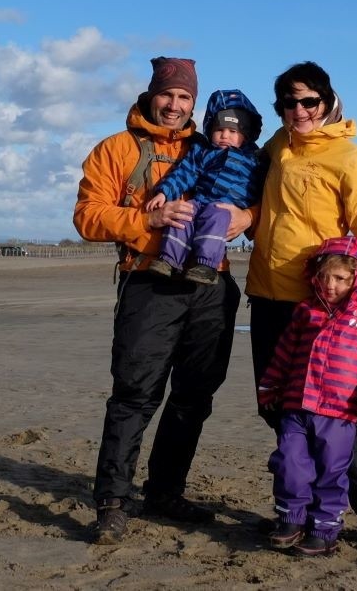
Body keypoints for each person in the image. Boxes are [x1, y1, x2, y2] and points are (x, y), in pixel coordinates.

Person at [220, 60, 357, 557]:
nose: (298, 111)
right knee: (279, 408)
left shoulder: (351, 158)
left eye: (308, 102)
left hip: (325, 307)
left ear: (326, 102)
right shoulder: (277, 146)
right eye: (288, 103)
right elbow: (262, 204)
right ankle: (296, 512)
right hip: (269, 298)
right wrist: (243, 215)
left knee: (342, 417)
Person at [73, 57, 248, 545]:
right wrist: (148, 220)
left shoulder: (214, 144)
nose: (174, 105)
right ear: (151, 95)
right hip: (147, 282)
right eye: (167, 95)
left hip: (211, 286)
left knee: (194, 397)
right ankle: (112, 500)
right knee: (135, 394)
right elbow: (87, 217)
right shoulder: (115, 149)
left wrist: (246, 217)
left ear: (196, 103)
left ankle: (165, 492)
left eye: (184, 97)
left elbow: (258, 188)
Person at [258, 236, 357, 557]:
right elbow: (283, 355)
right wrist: (269, 388)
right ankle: (291, 519)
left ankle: (324, 530)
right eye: (325, 277)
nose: (331, 285)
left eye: (340, 278)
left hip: (339, 413)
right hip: (296, 406)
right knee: (290, 463)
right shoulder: (306, 313)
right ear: (315, 276)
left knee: (332, 472)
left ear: (356, 278)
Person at [145, 88, 263, 285]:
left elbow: (263, 189)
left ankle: (206, 265)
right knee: (182, 215)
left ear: (245, 135)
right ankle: (168, 260)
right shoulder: (204, 151)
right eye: (219, 130)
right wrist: (164, 192)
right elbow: (185, 172)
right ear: (210, 130)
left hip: (226, 206)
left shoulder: (253, 159)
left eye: (233, 131)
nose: (225, 136)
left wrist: (249, 213)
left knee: (217, 218)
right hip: (200, 200)